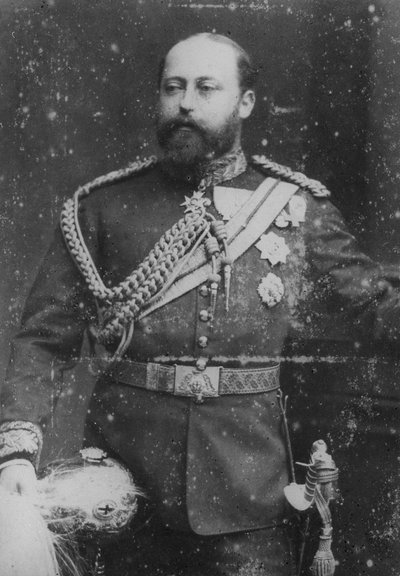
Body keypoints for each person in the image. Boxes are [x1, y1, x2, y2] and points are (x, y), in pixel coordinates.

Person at [0, 32, 399, 576]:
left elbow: (375, 307)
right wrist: (17, 452)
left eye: (205, 88)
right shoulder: (103, 208)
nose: (185, 103)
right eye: (174, 87)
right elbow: (44, 340)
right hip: (122, 489)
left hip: (247, 492)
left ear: (245, 102)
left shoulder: (296, 207)